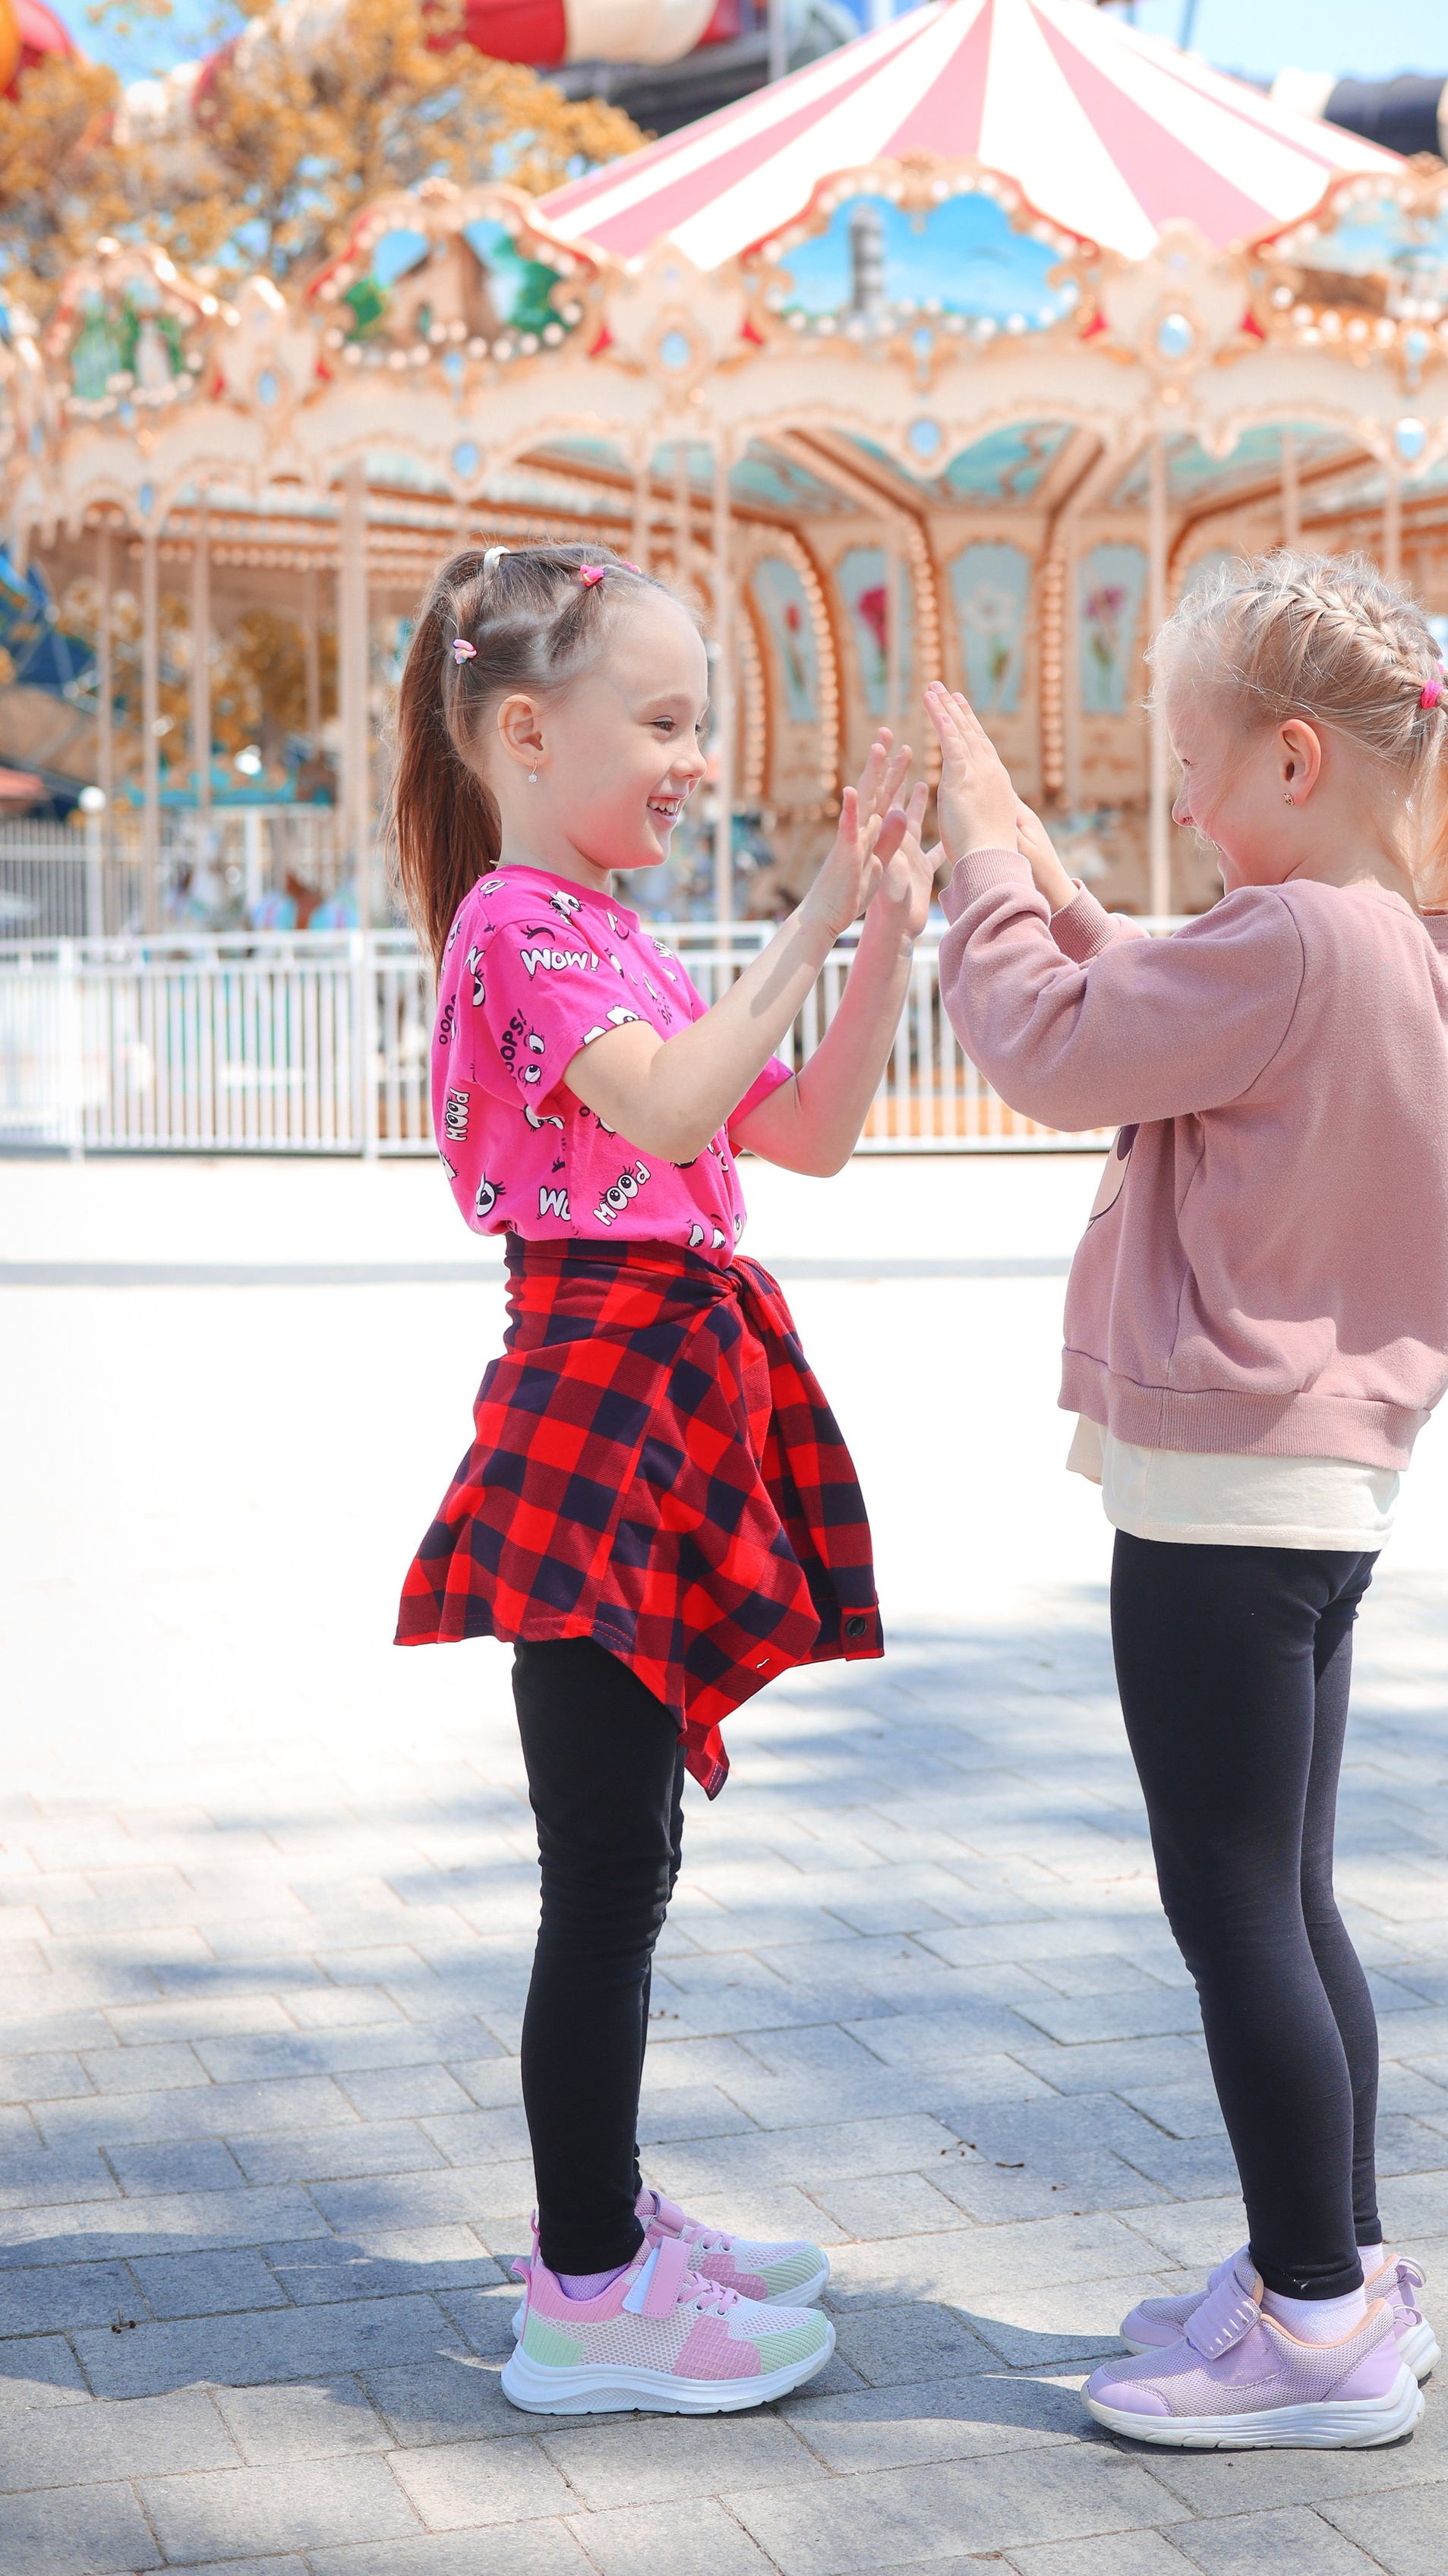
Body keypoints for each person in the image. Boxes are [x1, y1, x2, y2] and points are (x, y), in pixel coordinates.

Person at [926, 549, 1448, 2455]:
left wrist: (979, 862)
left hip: (1219, 1496)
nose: (1187, 815)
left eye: (1197, 775)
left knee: (1230, 1914)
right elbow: (1152, 988)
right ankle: (1341, 2266)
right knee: (1286, 1896)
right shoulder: (1399, 941)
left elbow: (1051, 1045)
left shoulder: (1282, 944)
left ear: (1295, 759)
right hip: (1321, 1493)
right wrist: (1051, 876)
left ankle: (1308, 2330)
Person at [387, 541, 932, 2416]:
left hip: (655, 1391)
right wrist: (813, 910)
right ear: (528, 734)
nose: (695, 760)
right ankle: (587, 2290)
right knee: (604, 1872)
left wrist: (878, 928)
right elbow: (682, 1105)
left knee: (628, 1859)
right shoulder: (516, 926)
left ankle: (601, 2219)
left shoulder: (601, 928)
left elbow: (811, 1132)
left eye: (700, 723)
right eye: (667, 721)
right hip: (596, 1400)